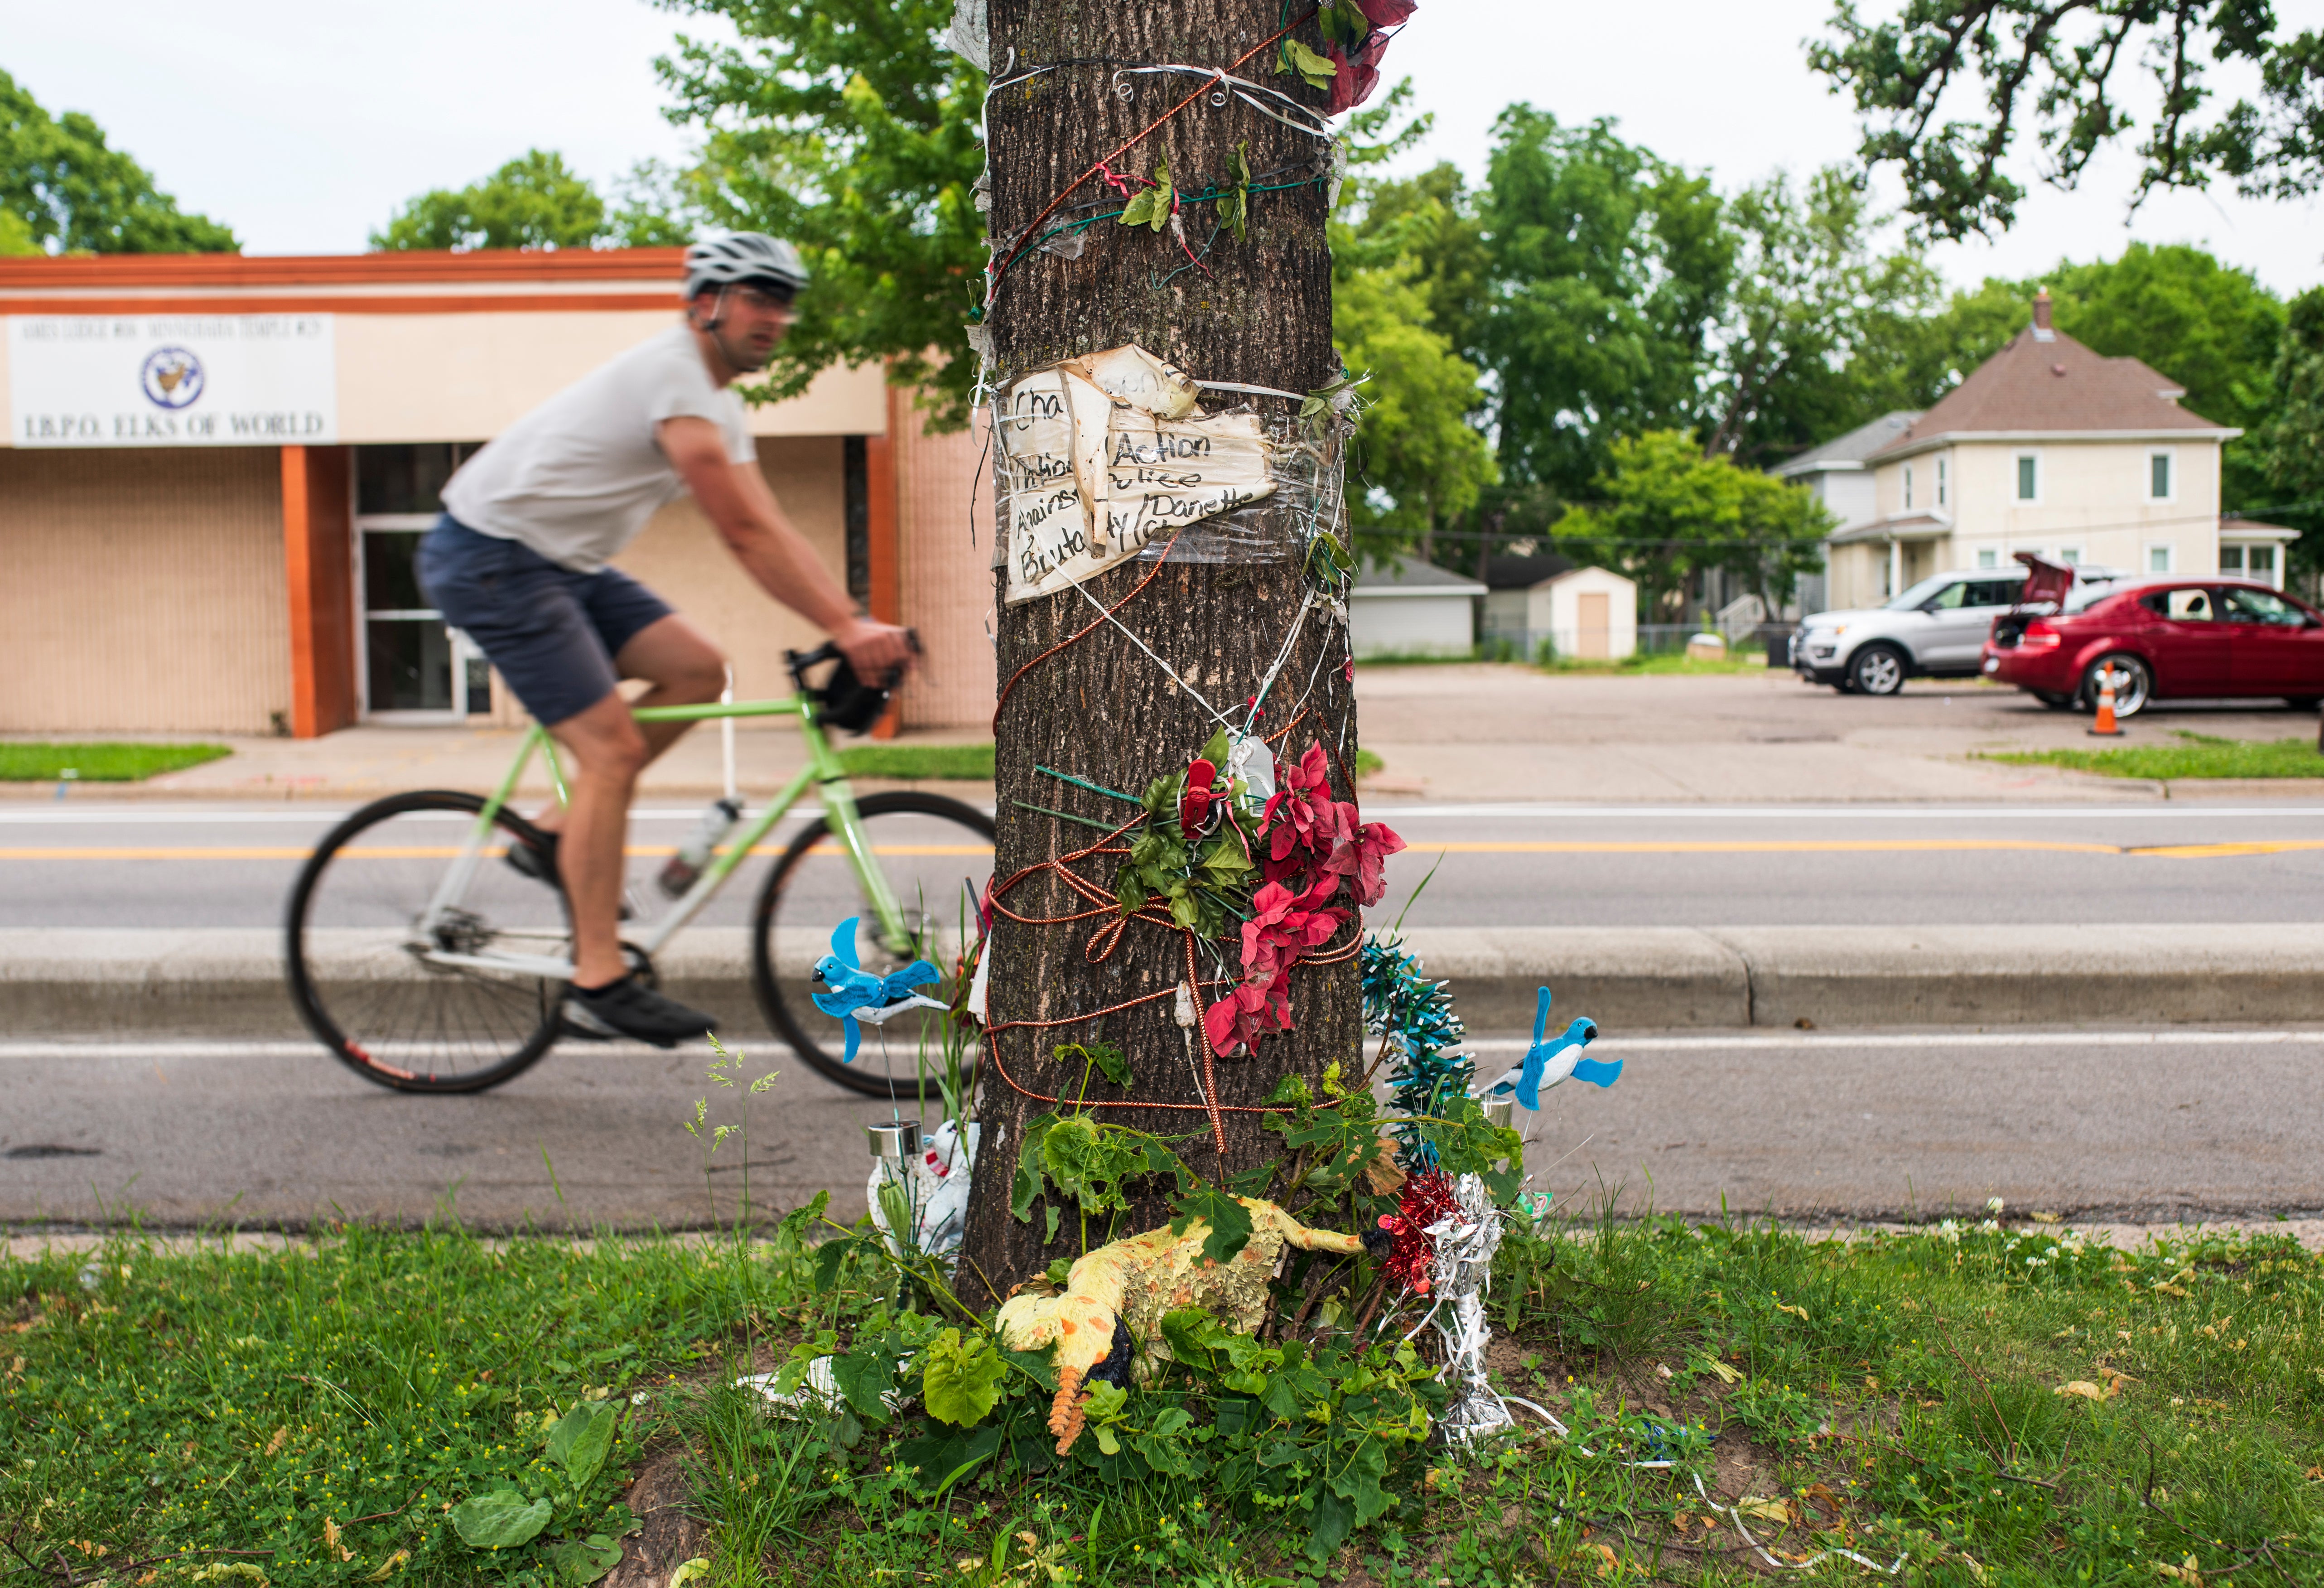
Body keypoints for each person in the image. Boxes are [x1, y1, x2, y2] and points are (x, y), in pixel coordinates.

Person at [418, 234, 915, 1047]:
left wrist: (849, 617)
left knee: (696, 668)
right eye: (758, 295)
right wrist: (847, 628)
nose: (776, 317)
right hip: (488, 556)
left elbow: (770, 526)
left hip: (561, 566)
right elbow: (744, 533)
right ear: (704, 303)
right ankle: (595, 979)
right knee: (611, 749)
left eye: (785, 301)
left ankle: (551, 833)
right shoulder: (673, 373)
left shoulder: (719, 403)